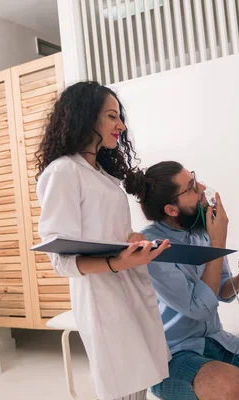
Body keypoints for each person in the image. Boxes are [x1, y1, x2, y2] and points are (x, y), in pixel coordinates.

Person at [35, 81, 171, 400]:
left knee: (138, 383)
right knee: (122, 383)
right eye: (112, 116)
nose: (121, 126)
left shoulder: (104, 177)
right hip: (101, 297)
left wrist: (131, 241)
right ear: (87, 117)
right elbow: (61, 259)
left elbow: (111, 233)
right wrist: (116, 262)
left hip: (127, 286)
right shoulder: (63, 173)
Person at [123, 162, 239, 400]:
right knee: (229, 385)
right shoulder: (153, 248)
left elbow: (221, 291)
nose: (202, 187)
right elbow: (199, 309)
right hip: (173, 355)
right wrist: (217, 243)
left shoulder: (200, 231)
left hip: (215, 339)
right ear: (171, 209)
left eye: (194, 178)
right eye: (191, 187)